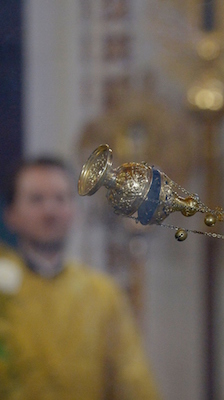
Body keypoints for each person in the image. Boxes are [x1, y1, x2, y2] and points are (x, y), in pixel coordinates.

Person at [0, 157, 160, 399]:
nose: (50, 211)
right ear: (11, 215)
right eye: (36, 199)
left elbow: (133, 383)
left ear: (74, 212)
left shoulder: (103, 294)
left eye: (60, 199)